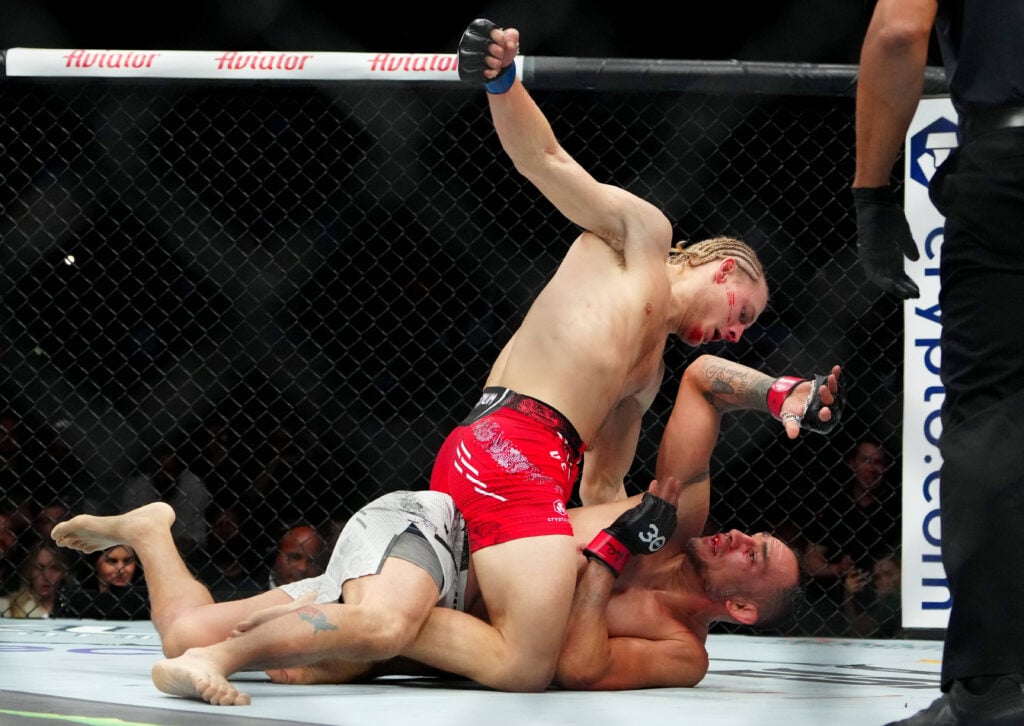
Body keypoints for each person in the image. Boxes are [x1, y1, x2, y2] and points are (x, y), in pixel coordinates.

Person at [51, 353, 840, 703]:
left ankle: (153, 533)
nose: (741, 535)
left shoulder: (683, 654)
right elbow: (703, 379)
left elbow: (576, 665)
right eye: (755, 532)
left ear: (740, 609)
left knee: (178, 634)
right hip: (441, 535)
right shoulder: (680, 518)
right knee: (381, 628)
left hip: (445, 599)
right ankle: (258, 654)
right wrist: (782, 397)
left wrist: (606, 552)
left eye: (756, 554)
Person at [400, 17, 781, 693]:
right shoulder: (639, 237)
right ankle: (392, 625)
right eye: (741, 315)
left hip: (541, 478)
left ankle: (387, 626)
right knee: (526, 660)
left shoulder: (646, 377)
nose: (736, 334)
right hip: (506, 439)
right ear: (722, 272)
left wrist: (658, 545)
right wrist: (501, 82)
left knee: (624, 539)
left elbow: (602, 494)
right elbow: (545, 161)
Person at [852, 1, 1024, 722]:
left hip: (1011, 166)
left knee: (992, 417)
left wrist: (871, 192)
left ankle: (992, 692)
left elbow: (898, 29)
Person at [797, 436, 899, 635]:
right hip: (833, 592)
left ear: (886, 467)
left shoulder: (895, 507)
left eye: (878, 462)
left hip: (881, 592)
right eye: (865, 460)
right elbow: (810, 561)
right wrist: (838, 569)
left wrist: (893, 575)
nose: (871, 469)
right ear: (852, 463)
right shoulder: (834, 503)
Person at [53, 544, 150, 620]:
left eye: (127, 561)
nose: (120, 569)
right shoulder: (75, 598)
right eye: (112, 561)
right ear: (96, 563)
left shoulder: (148, 599)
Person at [0, 539, 70, 618]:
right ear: (29, 570)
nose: (46, 576)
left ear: (64, 573)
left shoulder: (71, 608)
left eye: (55, 568)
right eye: (39, 567)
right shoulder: (6, 606)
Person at [840, 549, 901, 639]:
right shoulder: (885, 602)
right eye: (878, 577)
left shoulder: (899, 599)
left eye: (889, 574)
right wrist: (848, 594)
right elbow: (856, 631)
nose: (884, 581)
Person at [268, 524, 326, 588]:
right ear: (276, 554)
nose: (302, 568)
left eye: (312, 562)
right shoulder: (255, 593)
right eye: (295, 557)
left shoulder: (325, 595)